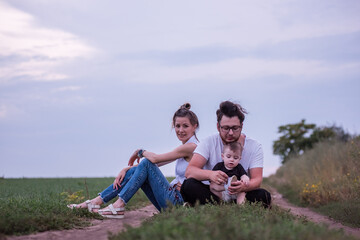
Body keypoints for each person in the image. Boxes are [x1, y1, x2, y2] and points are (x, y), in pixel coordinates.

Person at [68, 103, 199, 218]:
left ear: (194, 126)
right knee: (144, 166)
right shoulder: (186, 147)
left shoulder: (192, 147)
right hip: (173, 199)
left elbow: (153, 159)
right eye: (177, 126)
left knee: (146, 163)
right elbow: (156, 163)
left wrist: (140, 152)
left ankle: (117, 204)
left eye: (185, 126)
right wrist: (127, 169)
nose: (180, 130)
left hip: (178, 202)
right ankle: (96, 202)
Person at [181, 100, 271, 207]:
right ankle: (220, 204)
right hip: (214, 192)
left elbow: (257, 180)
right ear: (218, 127)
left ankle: (224, 205)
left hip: (239, 194)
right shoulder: (208, 142)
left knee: (264, 195)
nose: (231, 133)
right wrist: (211, 175)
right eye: (226, 128)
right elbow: (190, 171)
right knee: (188, 186)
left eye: (235, 128)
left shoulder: (255, 146)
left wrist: (243, 186)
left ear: (241, 126)